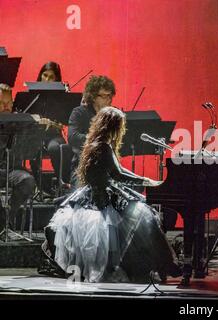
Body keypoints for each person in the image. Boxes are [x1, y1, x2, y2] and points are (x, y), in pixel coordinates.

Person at [40, 107, 180, 282]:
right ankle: (164, 264)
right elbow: (119, 174)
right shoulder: (103, 146)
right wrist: (145, 180)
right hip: (102, 198)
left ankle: (158, 264)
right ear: (114, 127)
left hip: (95, 194)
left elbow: (118, 171)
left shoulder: (96, 143)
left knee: (144, 215)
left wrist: (142, 180)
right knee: (146, 216)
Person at [68, 75, 116, 188]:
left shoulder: (113, 115)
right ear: (93, 97)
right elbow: (73, 137)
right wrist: (99, 139)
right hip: (83, 168)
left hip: (108, 168)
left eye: (110, 96)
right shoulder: (79, 113)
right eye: (104, 96)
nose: (109, 100)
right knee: (82, 195)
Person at [0, 84, 36, 230]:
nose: (6, 107)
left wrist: (33, 126)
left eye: (9, 103)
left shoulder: (19, 122)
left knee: (28, 180)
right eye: (1, 103)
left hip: (12, 170)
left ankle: (9, 216)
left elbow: (29, 150)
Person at [30, 62, 71, 189]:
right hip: (35, 136)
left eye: (51, 77)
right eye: (45, 75)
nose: (47, 80)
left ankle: (62, 184)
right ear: (40, 76)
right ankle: (40, 186)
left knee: (55, 148)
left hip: (54, 135)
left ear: (57, 79)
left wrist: (54, 124)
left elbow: (65, 121)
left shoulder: (62, 97)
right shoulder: (31, 95)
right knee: (31, 149)